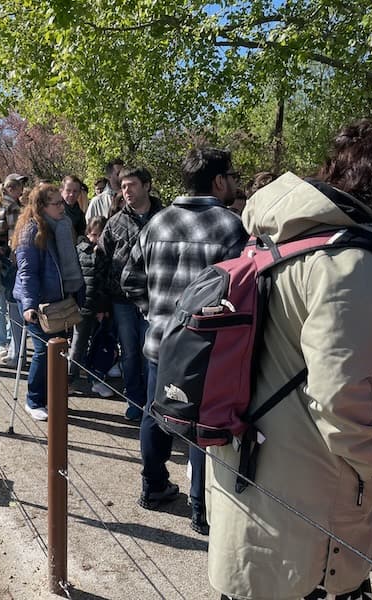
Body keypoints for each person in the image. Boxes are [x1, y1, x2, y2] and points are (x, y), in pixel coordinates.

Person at [205, 121, 372, 600]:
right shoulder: (349, 261)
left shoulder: (272, 240)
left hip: (247, 470)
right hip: (309, 507)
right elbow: (340, 393)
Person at [122, 147, 247, 536]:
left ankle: (153, 487)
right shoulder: (231, 227)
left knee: (154, 412)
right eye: (231, 176)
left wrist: (151, 310)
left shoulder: (156, 223)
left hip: (159, 339)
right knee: (199, 421)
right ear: (218, 181)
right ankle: (200, 509)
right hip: (206, 348)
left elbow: (128, 278)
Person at [12, 183, 84, 421]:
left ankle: (52, 398)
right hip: (40, 305)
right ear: (42, 206)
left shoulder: (62, 226)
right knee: (44, 351)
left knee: (59, 351)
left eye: (61, 202)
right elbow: (27, 272)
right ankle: (33, 400)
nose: (62, 206)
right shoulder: (30, 231)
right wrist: (29, 305)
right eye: (56, 203)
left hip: (61, 301)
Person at [98, 166, 162, 421]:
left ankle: (153, 405)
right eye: (123, 187)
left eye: (132, 185)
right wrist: (101, 301)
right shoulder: (114, 222)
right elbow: (101, 262)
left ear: (147, 185)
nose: (126, 191)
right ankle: (135, 401)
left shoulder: (166, 218)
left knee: (153, 354)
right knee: (130, 353)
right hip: (122, 300)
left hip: (155, 299)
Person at [68, 215, 113, 397]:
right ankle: (70, 379)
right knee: (77, 345)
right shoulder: (80, 251)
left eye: (100, 235)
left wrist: (104, 308)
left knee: (98, 346)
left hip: (100, 306)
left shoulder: (107, 253)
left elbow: (106, 283)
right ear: (88, 233)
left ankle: (96, 379)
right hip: (83, 305)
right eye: (94, 234)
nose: (96, 238)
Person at [0, 173, 27, 362]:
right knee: (14, 303)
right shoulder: (13, 206)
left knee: (2, 301)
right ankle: (16, 352)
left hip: (0, 254)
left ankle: (9, 347)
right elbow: (15, 234)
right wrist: (16, 256)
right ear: (12, 189)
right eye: (20, 186)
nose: (22, 189)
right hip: (11, 256)